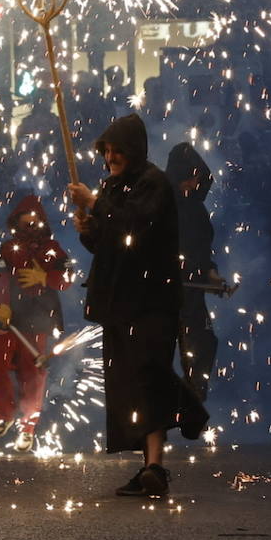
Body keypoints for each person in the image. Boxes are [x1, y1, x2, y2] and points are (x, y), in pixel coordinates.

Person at [67, 113, 208, 498]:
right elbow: (108, 246)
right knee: (130, 386)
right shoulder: (112, 187)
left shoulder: (154, 184)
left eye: (117, 151)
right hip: (117, 304)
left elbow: (135, 228)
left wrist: (94, 204)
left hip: (151, 301)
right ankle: (150, 464)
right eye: (107, 152)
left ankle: (157, 463)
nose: (111, 158)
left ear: (133, 150)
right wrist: (90, 230)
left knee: (149, 378)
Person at [0, 193, 71, 453]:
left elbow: (66, 278)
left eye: (35, 218)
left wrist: (45, 277)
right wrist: (1, 305)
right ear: (17, 221)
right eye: (25, 218)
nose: (30, 223)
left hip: (39, 319)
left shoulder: (53, 249)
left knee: (32, 374)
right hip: (8, 319)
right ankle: (5, 413)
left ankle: (28, 426)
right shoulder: (7, 249)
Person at [165, 142, 220, 401]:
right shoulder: (163, 207)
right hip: (165, 292)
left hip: (192, 294)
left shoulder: (196, 209)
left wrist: (210, 273)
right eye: (189, 177)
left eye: (197, 178)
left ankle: (193, 399)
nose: (193, 183)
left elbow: (200, 250)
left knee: (202, 344)